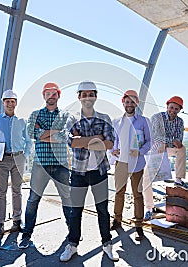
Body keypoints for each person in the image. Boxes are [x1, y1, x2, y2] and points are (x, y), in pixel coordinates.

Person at [59, 81, 119, 262]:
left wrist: (84, 139)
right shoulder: (71, 119)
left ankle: (107, 244)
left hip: (99, 171)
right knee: (75, 211)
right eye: (83, 94)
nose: (87, 97)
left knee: (103, 210)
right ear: (78, 97)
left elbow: (109, 144)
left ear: (96, 96)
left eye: (90, 94)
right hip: (78, 172)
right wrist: (97, 138)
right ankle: (72, 245)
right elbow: (72, 142)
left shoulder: (105, 117)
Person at [19, 82, 71, 249]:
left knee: (67, 198)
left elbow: (64, 136)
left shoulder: (65, 115)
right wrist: (53, 133)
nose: (51, 96)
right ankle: (26, 234)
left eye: (54, 93)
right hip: (40, 164)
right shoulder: (35, 114)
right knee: (33, 199)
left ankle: (73, 232)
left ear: (58, 95)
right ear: (43, 96)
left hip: (60, 164)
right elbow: (30, 133)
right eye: (47, 93)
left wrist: (43, 133)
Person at [0, 89, 32, 236]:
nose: (10, 104)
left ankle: (17, 221)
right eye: (7, 101)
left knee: (17, 191)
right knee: (0, 192)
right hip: (1, 160)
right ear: (3, 103)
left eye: (12, 101)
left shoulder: (22, 121)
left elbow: (29, 141)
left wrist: (25, 155)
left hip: (18, 158)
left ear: (16, 103)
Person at [109, 90, 151, 241]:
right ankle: (117, 220)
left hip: (137, 163)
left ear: (136, 104)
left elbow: (149, 142)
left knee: (137, 194)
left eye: (132, 102)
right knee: (119, 192)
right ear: (123, 102)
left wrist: (140, 151)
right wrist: (113, 150)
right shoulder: (116, 122)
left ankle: (138, 225)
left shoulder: (143, 121)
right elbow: (112, 140)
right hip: (121, 162)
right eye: (127, 101)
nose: (129, 104)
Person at [143, 95, 188, 220]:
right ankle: (149, 208)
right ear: (167, 106)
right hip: (156, 150)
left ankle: (178, 180)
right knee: (146, 179)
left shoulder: (180, 122)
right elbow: (155, 136)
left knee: (182, 149)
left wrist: (170, 142)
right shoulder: (157, 117)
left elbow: (179, 140)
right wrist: (169, 141)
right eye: (171, 107)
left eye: (176, 109)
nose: (173, 110)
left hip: (167, 148)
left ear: (179, 110)